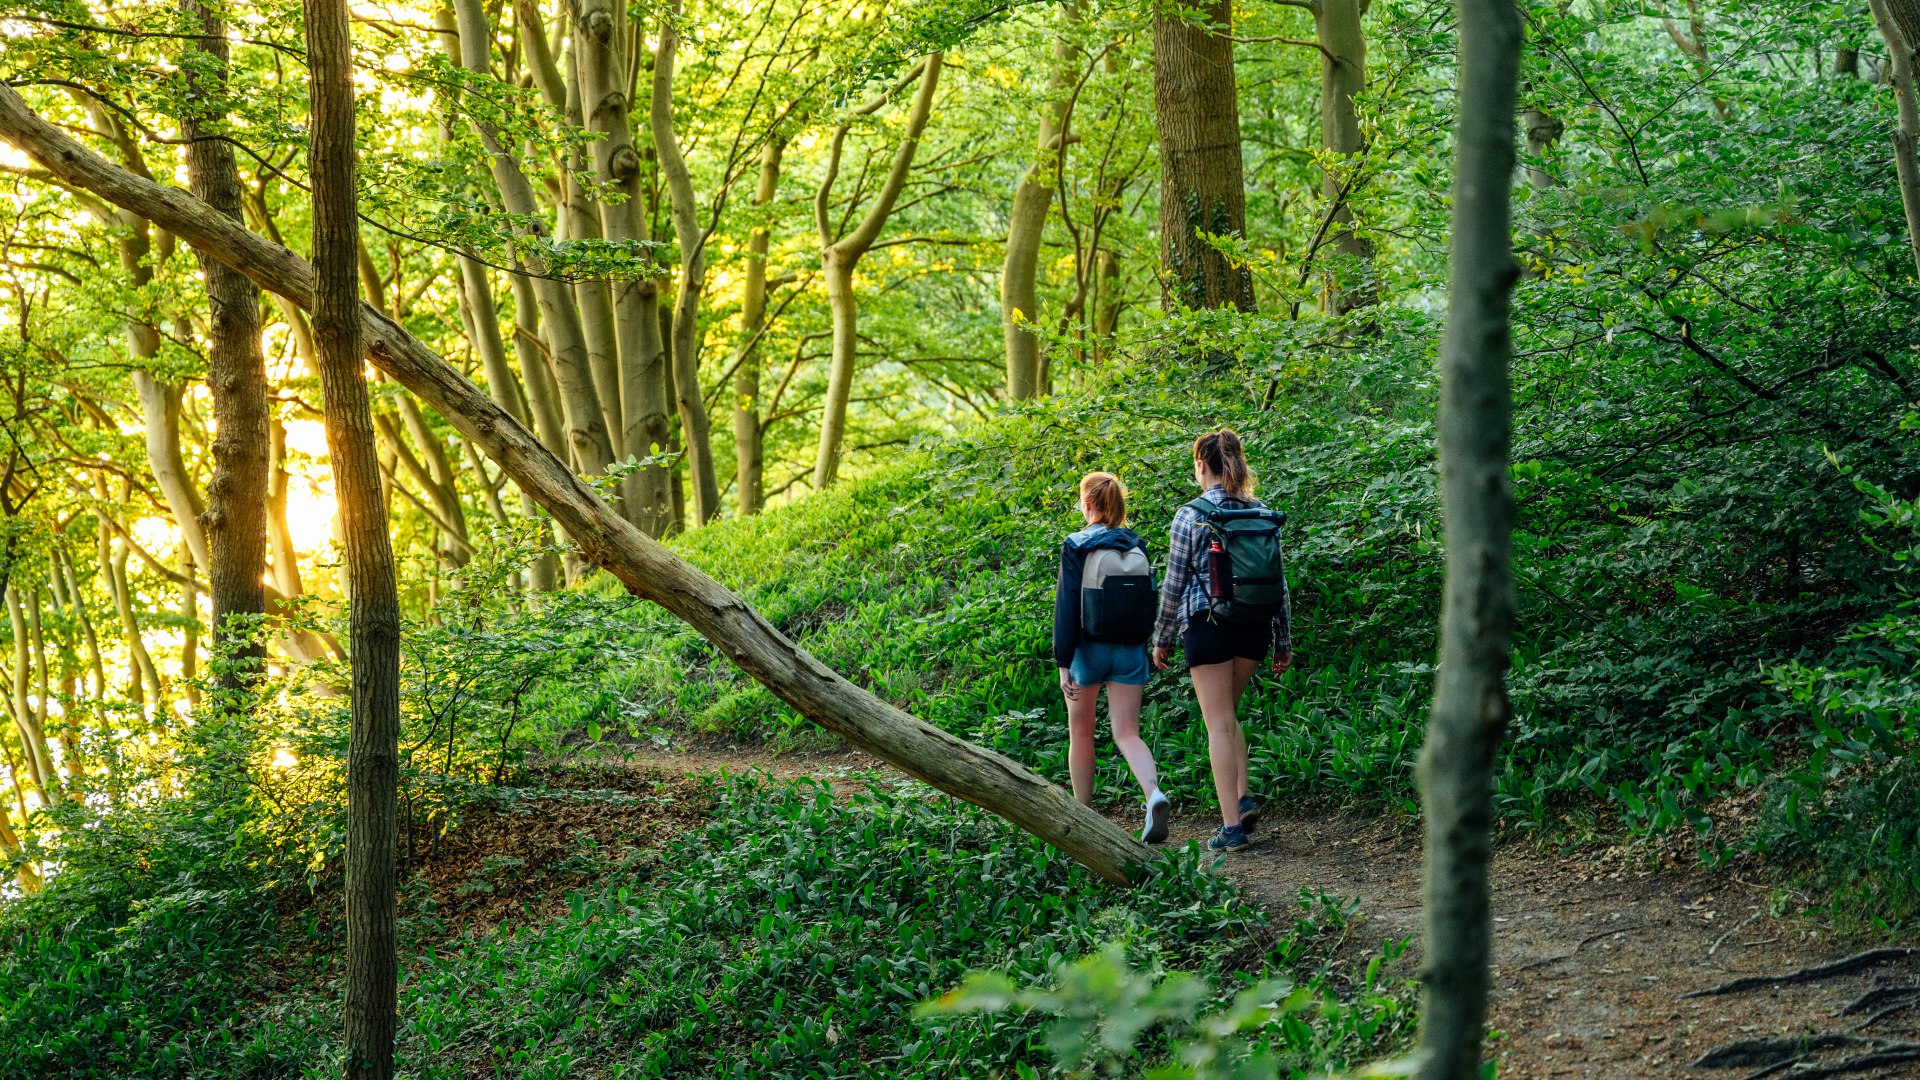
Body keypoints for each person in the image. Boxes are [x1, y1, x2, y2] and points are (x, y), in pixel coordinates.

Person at [1151, 431, 1294, 852]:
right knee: (1227, 715)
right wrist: (1282, 640)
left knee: (1217, 723)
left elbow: (1174, 585)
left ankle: (1231, 827)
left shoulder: (1190, 515)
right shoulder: (1262, 512)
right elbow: (1279, 585)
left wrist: (1161, 638)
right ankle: (1243, 795)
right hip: (1255, 625)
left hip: (1207, 624)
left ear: (1201, 465)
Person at [1054, 472, 1170, 843]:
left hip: (1089, 650)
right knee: (1127, 732)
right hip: (1130, 650)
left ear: (1086, 504)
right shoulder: (1137, 545)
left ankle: (1083, 816)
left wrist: (1063, 661)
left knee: (1081, 732)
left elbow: (1067, 606)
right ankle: (1153, 793)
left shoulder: (1076, 545)